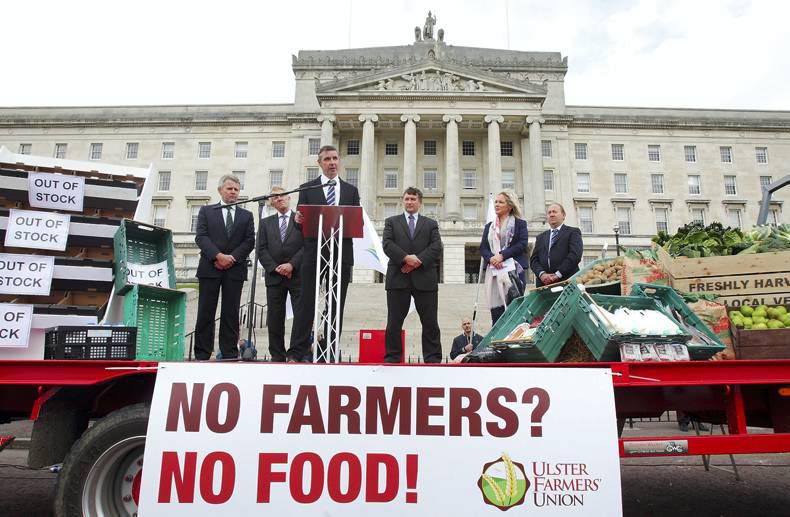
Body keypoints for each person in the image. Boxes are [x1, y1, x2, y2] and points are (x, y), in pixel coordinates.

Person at [290, 145, 360, 362]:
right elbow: (300, 227)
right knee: (305, 303)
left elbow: (355, 222)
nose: (332, 162)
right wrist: (296, 221)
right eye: (327, 159)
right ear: (319, 163)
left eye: (335, 158)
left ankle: (329, 349)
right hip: (313, 253)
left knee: (336, 304)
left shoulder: (351, 190)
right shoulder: (307, 188)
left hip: (341, 254)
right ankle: (297, 351)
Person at [193, 174, 255, 360]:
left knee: (231, 312)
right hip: (210, 268)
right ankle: (202, 352)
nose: (233, 192)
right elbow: (201, 237)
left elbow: (249, 240)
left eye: (236, 189)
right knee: (206, 311)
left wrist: (232, 258)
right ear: (220, 190)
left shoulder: (247, 215)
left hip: (234, 270)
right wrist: (218, 256)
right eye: (229, 188)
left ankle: (229, 352)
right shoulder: (206, 211)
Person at [383, 187, 443, 363]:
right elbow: (387, 244)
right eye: (407, 199)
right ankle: (392, 358)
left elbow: (436, 247)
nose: (409, 202)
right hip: (398, 278)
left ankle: (432, 359)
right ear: (403, 201)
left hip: (425, 279)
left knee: (430, 322)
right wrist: (406, 258)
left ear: (420, 202)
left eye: (413, 199)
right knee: (394, 322)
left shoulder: (430, 224)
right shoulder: (391, 222)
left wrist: (417, 261)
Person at [257, 186, 303, 362]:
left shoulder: (300, 219)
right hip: (275, 276)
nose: (279, 199)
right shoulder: (265, 223)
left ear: (289, 197)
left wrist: (291, 265)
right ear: (271, 202)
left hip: (297, 275)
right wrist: (276, 267)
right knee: (275, 318)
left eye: (281, 195)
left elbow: (306, 245)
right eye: (274, 197)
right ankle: (277, 354)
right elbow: (261, 249)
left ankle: (296, 353)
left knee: (301, 316)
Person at [480, 190, 529, 324]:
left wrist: (502, 255)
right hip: (494, 272)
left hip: (514, 272)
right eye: (496, 202)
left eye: (501, 202)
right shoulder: (489, 227)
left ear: (510, 206)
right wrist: (491, 258)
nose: (497, 204)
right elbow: (483, 248)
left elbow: (522, 244)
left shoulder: (520, 224)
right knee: (497, 314)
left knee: (514, 311)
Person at [529, 203, 584, 288]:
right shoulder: (540, 237)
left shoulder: (573, 232)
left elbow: (575, 255)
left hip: (566, 282)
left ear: (563, 215)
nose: (551, 214)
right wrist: (542, 274)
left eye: (554, 212)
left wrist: (557, 274)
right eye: (549, 212)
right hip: (544, 285)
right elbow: (533, 260)